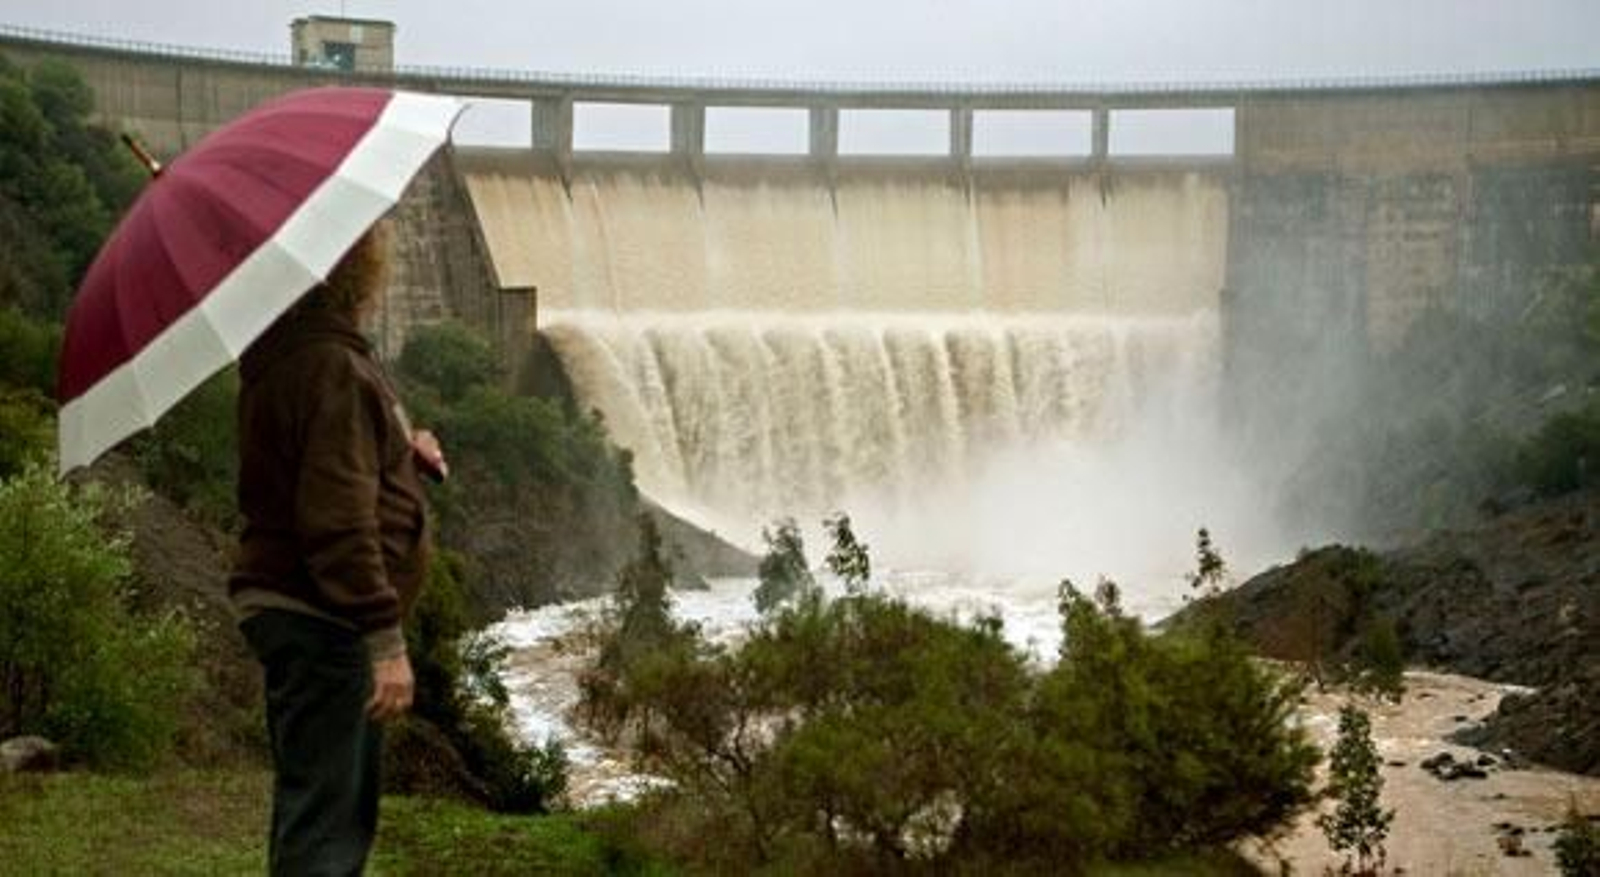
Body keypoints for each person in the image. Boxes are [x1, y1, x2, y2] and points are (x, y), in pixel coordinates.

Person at [230, 224, 445, 875]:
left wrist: (399, 450)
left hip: (290, 607)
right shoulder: (332, 366)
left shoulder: (287, 356)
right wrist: (385, 639)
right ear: (354, 275)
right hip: (324, 617)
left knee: (312, 808)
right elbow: (338, 521)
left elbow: (318, 467)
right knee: (330, 828)